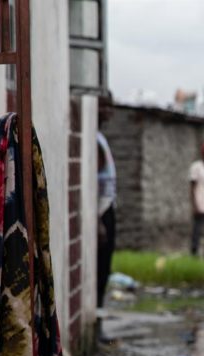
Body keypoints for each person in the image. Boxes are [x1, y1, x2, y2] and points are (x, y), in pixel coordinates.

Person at [96, 96, 116, 339]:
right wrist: (98, 219)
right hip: (101, 212)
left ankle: (99, 320)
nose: (108, 110)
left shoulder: (100, 138)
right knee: (101, 269)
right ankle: (97, 324)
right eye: (103, 105)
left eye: (110, 105)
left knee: (105, 268)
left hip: (107, 207)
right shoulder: (93, 140)